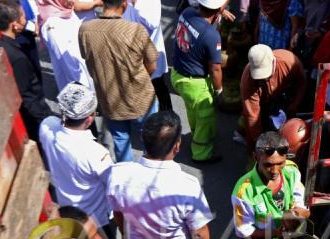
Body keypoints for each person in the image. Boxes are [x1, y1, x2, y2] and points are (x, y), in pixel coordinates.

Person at [107, 111, 213, 239]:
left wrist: (126, 234)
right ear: (177, 145)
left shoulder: (118, 175)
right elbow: (199, 231)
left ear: (142, 137)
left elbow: (118, 213)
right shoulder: (188, 185)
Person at [79, 0, 160, 162]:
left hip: (109, 100)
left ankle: (127, 181)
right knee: (152, 143)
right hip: (141, 98)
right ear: (124, 4)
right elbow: (152, 65)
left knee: (121, 143)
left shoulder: (85, 29)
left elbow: (86, 57)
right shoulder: (136, 30)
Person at [39, 83, 114, 239]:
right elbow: (112, 183)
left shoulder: (47, 126)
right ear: (89, 119)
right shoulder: (96, 154)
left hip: (68, 212)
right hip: (96, 221)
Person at [231, 131, 310, 239]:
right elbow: (244, 234)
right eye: (268, 165)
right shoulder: (243, 192)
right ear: (256, 158)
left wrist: (293, 213)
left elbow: (305, 210)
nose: (275, 171)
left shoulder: (292, 173)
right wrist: (275, 234)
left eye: (280, 163)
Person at [171, 0, 227, 164]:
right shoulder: (211, 34)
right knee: (205, 117)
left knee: (192, 109)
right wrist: (219, 91)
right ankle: (201, 153)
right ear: (218, 10)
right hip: (194, 84)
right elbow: (215, 69)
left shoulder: (187, 13)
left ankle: (196, 133)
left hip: (177, 75)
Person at [0, 1, 55, 142]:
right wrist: (48, 120)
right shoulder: (18, 57)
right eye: (23, 17)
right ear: (15, 25)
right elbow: (28, 97)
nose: (25, 20)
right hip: (32, 120)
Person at [241, 45, 307, 155]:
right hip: (262, 107)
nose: (264, 78)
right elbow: (253, 116)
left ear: (273, 62)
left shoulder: (290, 62)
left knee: (291, 136)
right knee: (255, 139)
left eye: (266, 74)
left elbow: (302, 83)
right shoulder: (248, 82)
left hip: (286, 101)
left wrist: (294, 105)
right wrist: (261, 147)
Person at [123, 0, 172, 111]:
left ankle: (168, 117)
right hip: (130, 51)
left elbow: (153, 23)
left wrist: (136, 4)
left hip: (150, 54)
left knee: (158, 85)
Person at [39, 1, 94, 92]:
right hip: (78, 88)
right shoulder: (52, 24)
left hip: (86, 81)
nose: (73, 1)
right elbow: (68, 64)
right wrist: (83, 91)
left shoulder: (67, 12)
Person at [290, 0, 330, 69]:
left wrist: (322, 36)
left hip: (324, 50)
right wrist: (298, 33)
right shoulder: (308, 1)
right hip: (305, 47)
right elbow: (304, 20)